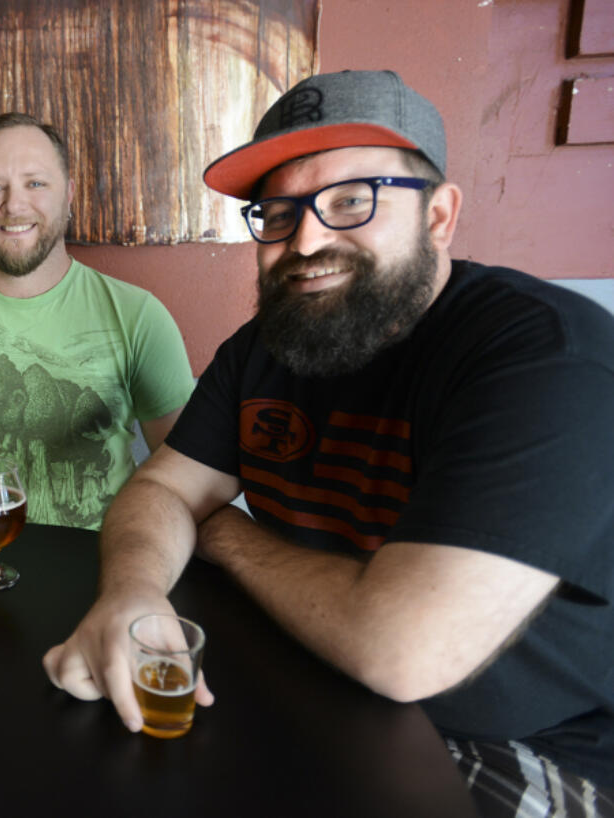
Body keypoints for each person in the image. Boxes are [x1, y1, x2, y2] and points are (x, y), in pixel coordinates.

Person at [43, 70, 614, 816]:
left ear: (438, 217)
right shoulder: (263, 349)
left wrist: (226, 535)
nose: (306, 239)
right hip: (305, 685)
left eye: (350, 201)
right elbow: (160, 490)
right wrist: (133, 593)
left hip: (515, 746)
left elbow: (401, 651)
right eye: (277, 214)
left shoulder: (546, 356)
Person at [0, 112, 195, 589]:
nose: (13, 205)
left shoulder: (139, 315)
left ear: (69, 195)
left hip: (110, 571)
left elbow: (190, 462)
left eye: (35, 183)